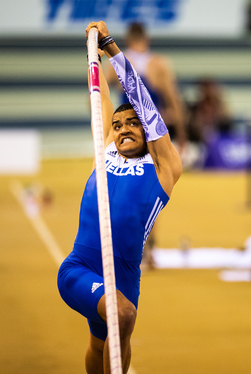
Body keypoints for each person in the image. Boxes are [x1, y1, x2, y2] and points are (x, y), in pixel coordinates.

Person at [58, 21, 182, 374]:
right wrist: (93, 56)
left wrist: (112, 47)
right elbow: (101, 101)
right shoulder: (106, 148)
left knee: (105, 344)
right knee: (123, 314)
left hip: (123, 276)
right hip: (79, 268)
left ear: (148, 129)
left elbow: (145, 105)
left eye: (132, 123)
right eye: (118, 124)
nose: (123, 128)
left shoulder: (164, 166)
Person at [104, 22, 186, 147]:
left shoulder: (116, 62)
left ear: (127, 39)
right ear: (147, 39)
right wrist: (182, 136)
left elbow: (96, 97)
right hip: (154, 132)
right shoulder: (159, 64)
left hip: (127, 131)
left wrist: (107, 131)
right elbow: (174, 101)